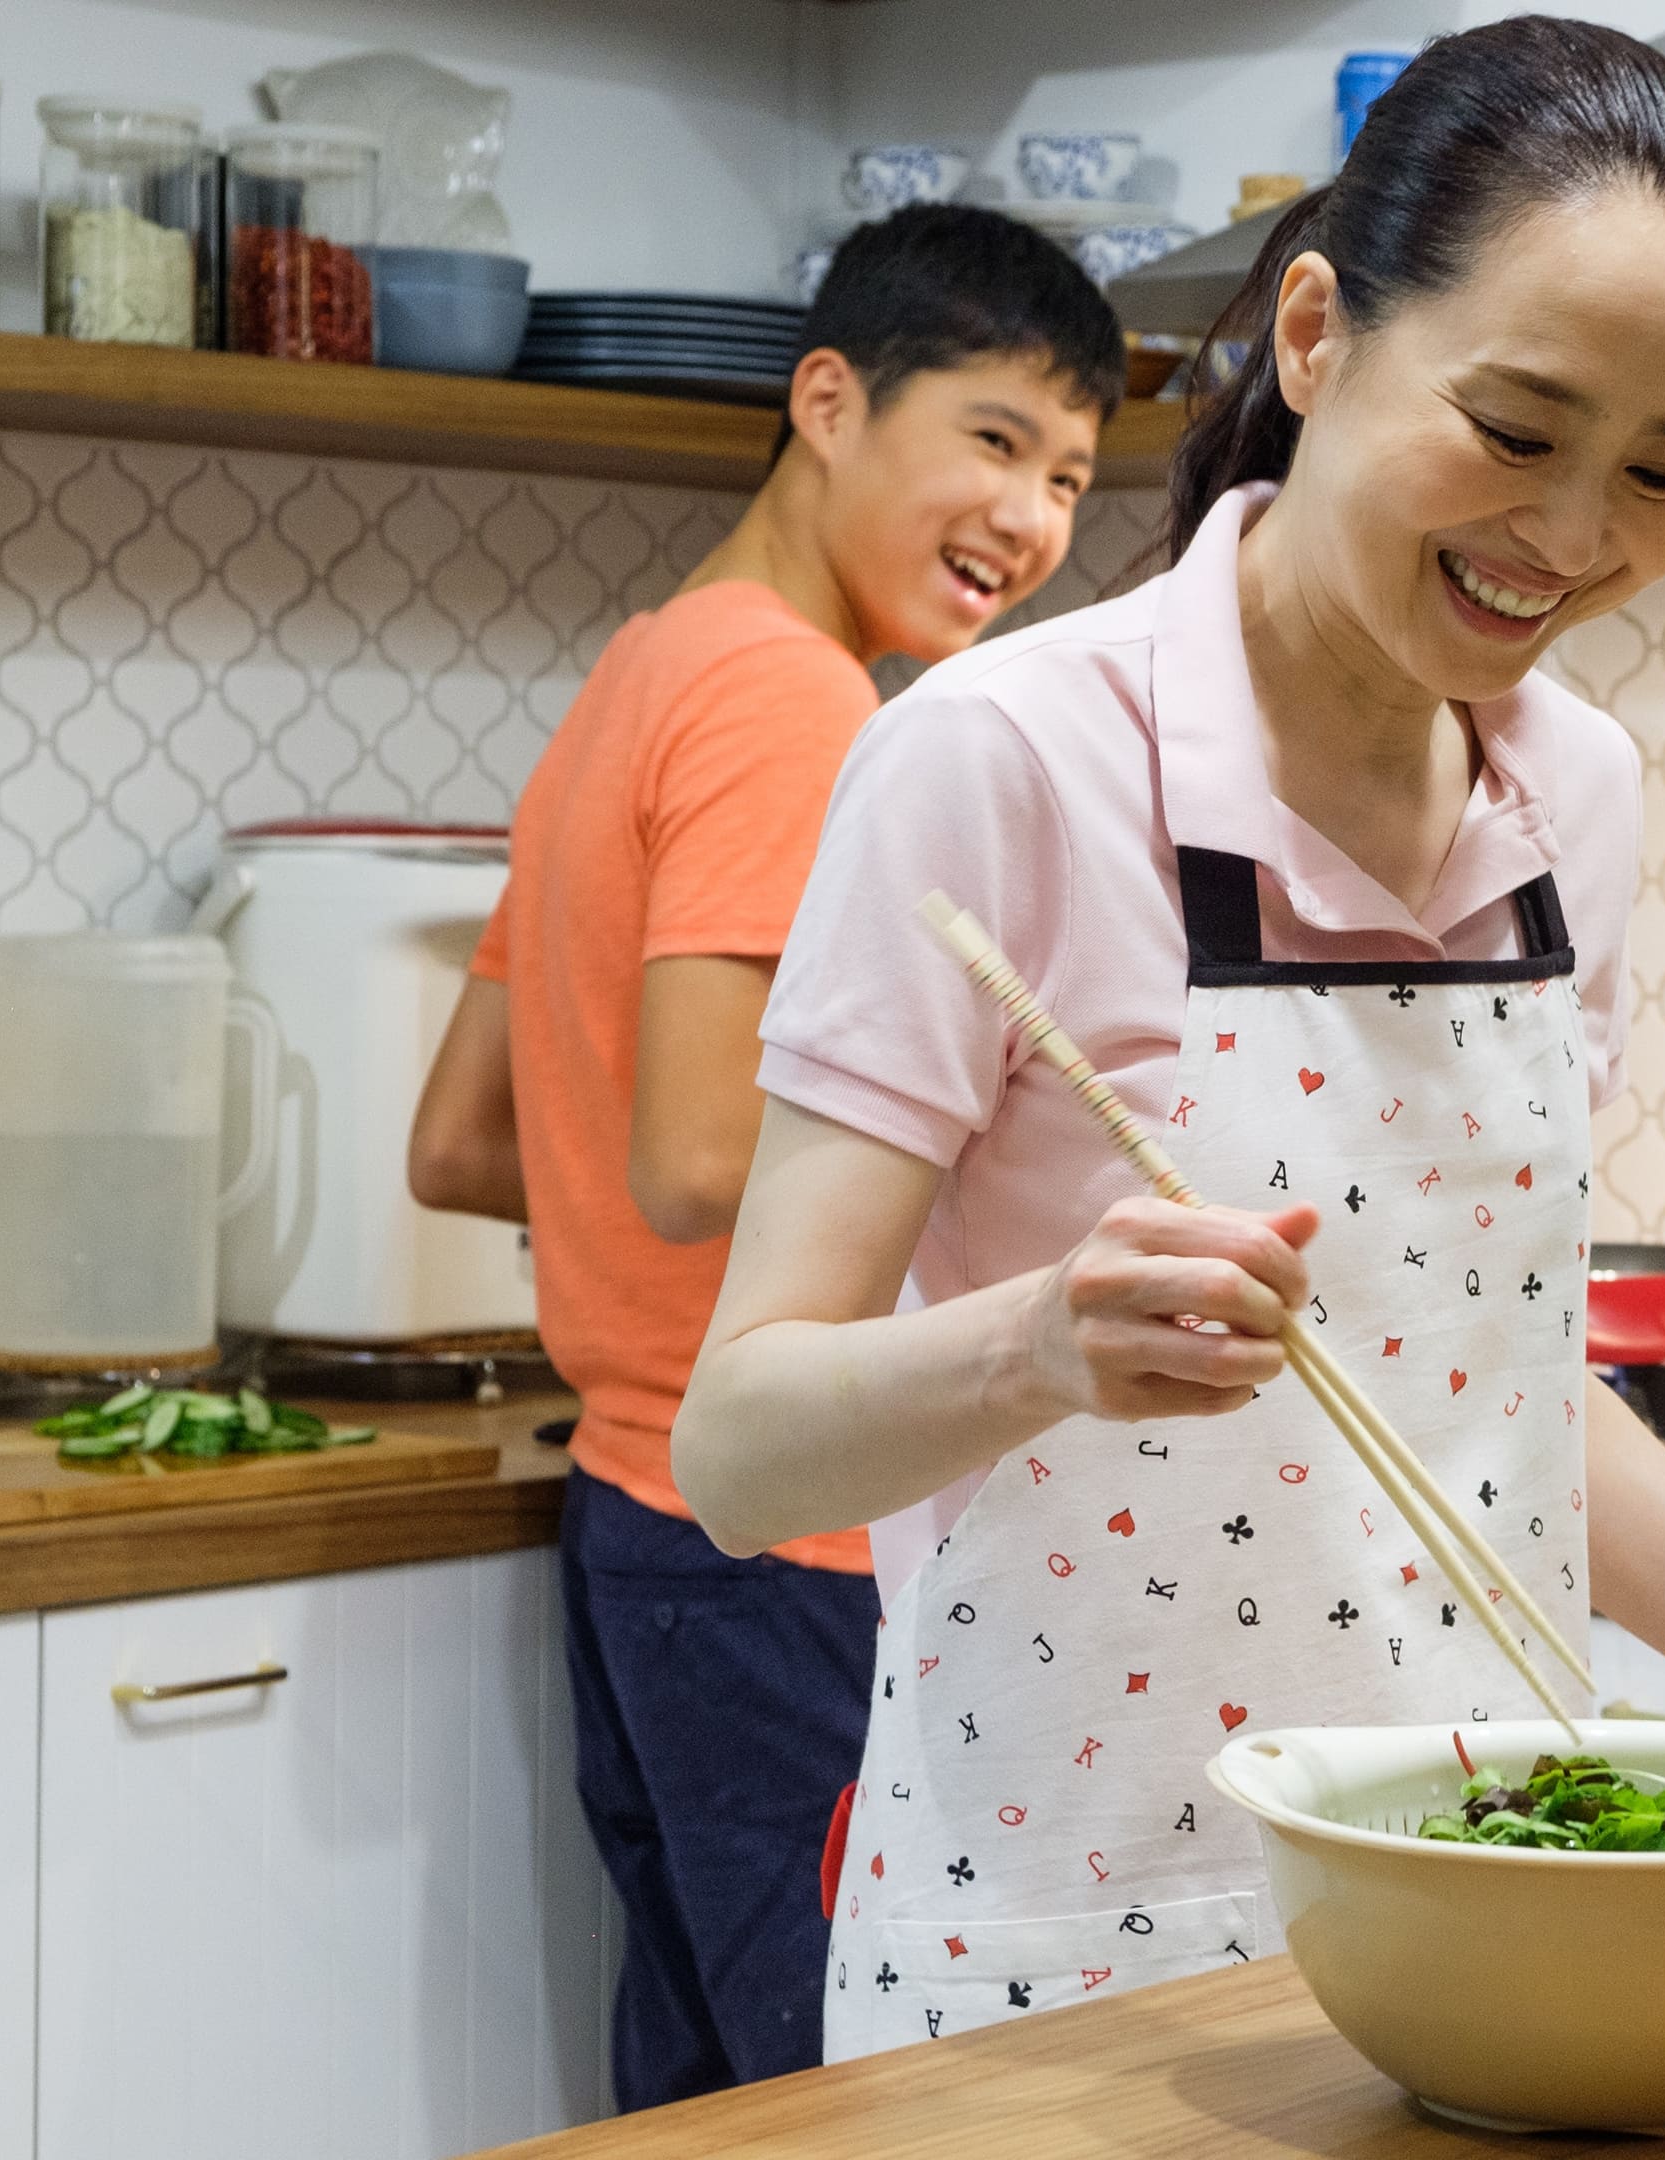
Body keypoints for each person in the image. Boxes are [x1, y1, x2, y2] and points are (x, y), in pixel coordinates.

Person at [666, 17, 1665, 2063]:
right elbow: (734, 1451)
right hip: (1069, 1954)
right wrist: (1040, 1346)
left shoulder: (1576, 800)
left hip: (1495, 1922)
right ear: (1324, 334)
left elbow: (1493, 1386)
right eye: (1519, 432)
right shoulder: (996, 762)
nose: (1581, 535)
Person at [404, 203, 1120, 2108]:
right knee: (856, 2098)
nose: (1033, 519)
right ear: (828, 401)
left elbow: (468, 1140)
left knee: (710, 2092)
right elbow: (706, 1158)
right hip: (785, 1530)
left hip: (639, 1517)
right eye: (992, 439)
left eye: (1068, 476)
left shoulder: (634, 676)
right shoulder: (791, 699)